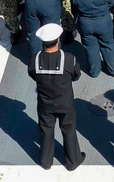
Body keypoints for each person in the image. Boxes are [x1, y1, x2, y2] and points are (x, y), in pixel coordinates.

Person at [28, 23, 85, 171]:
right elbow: (76, 75)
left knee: (46, 129)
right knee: (68, 129)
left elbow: (32, 74)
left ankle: (46, 161)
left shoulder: (35, 59)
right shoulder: (68, 59)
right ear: (58, 40)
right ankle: (73, 160)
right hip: (65, 102)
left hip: (45, 103)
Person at [71, 0, 114, 77]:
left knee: (90, 47)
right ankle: (113, 69)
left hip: (85, 23)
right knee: (107, 45)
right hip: (103, 22)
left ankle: (94, 71)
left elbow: (75, 5)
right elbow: (112, 1)